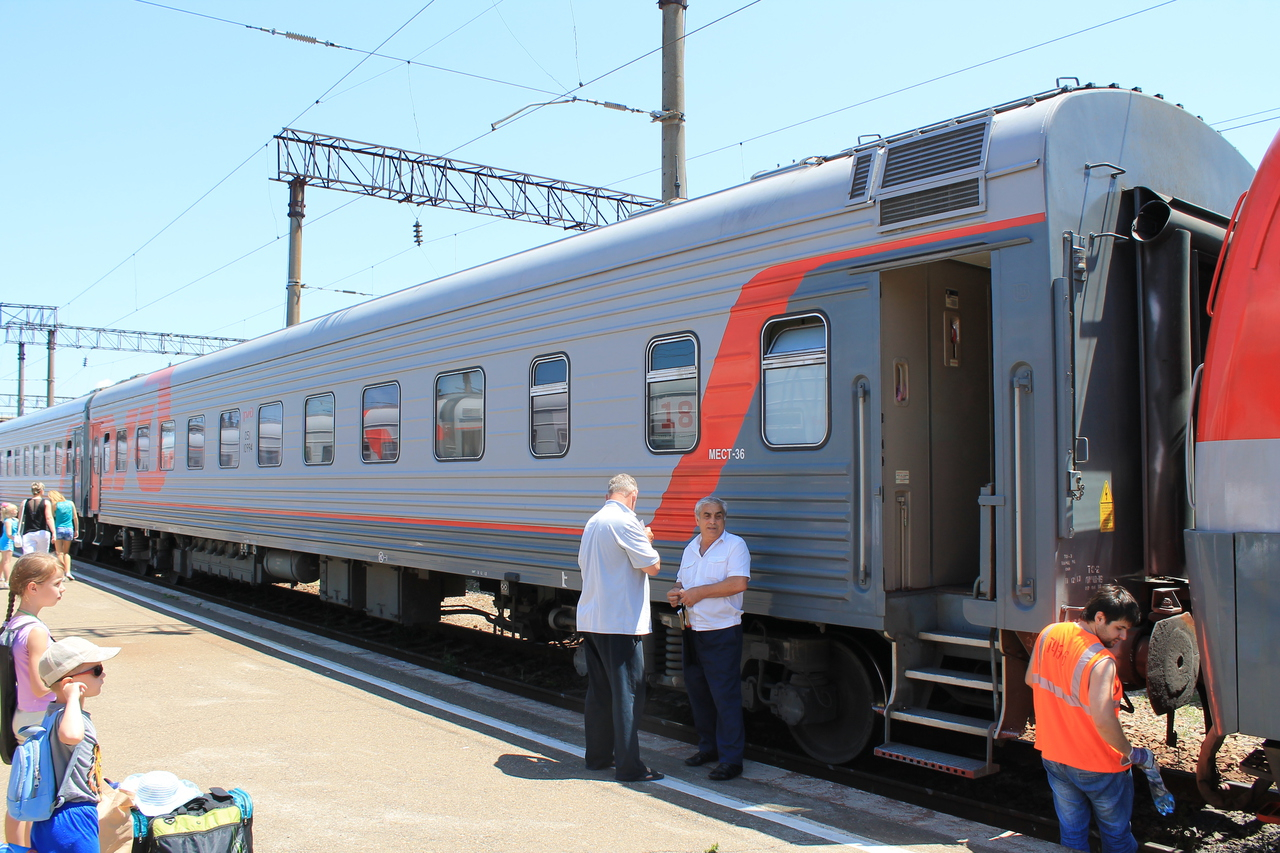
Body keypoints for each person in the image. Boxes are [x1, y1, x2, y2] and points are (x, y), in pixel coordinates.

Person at [1025, 584, 1149, 853]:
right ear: (1100, 617)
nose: (1124, 636)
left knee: (1072, 836)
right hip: (1098, 764)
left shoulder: (1049, 633)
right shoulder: (1101, 661)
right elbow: (1104, 720)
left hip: (1055, 756)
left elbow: (1030, 679)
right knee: (1116, 837)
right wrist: (1130, 752)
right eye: (1119, 628)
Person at [577, 473, 663, 783]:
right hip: (620, 623)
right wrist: (648, 540)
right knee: (627, 693)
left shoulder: (593, 522)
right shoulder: (627, 523)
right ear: (633, 496)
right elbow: (652, 565)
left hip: (592, 619)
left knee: (600, 693)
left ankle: (598, 758)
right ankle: (629, 767)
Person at [667, 496, 750, 781]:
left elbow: (738, 583)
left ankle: (731, 759)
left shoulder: (735, 546)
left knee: (724, 696)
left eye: (718, 516)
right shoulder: (691, 548)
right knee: (699, 694)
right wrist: (676, 591)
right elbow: (681, 581)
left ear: (724, 520)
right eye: (707, 516)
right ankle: (708, 748)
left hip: (722, 631)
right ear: (697, 519)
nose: (712, 521)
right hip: (692, 630)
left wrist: (698, 593)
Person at [29, 636, 121, 853]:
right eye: (96, 670)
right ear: (68, 683)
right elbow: (71, 736)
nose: (103, 674)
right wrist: (72, 699)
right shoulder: (68, 718)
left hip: (52, 816)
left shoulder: (56, 713)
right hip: (72, 817)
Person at [2, 553, 66, 852]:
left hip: (21, 716)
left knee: (22, 793)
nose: (62, 588)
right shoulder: (36, 630)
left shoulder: (14, 624)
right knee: (34, 796)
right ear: (32, 587)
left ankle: (16, 848)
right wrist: (71, 689)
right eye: (57, 583)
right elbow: (40, 686)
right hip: (38, 719)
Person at [46, 491, 78, 582]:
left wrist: (52, 532)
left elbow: (51, 517)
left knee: (59, 553)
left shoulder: (55, 505)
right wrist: (76, 530)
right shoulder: (70, 503)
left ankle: (62, 573)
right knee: (66, 553)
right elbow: (75, 517)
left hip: (58, 529)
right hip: (69, 529)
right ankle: (68, 572)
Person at [19, 484, 54, 557]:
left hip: (28, 533)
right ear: (41, 491)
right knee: (42, 557)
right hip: (43, 533)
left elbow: (20, 518)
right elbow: (49, 518)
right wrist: (54, 532)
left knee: (28, 557)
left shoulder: (24, 502)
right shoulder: (46, 502)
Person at [0, 503, 18, 588]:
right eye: (15, 510)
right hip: (7, 542)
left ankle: (0, 576)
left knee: (4, 560)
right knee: (7, 561)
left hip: (9, 541)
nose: (17, 511)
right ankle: (7, 581)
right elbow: (9, 534)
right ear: (11, 511)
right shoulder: (8, 521)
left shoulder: (15, 520)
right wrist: (17, 540)